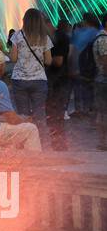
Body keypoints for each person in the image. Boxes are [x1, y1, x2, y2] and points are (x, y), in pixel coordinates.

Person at [9, 7, 52, 140]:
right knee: (40, 114)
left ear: (25, 20)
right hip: (39, 80)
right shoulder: (44, 37)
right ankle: (43, 145)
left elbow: (13, 59)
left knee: (23, 115)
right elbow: (49, 61)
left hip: (20, 80)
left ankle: (26, 145)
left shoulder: (17, 35)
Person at [46, 18, 72, 150]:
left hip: (58, 80)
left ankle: (59, 144)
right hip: (59, 79)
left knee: (55, 114)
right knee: (55, 114)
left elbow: (58, 61)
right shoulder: (59, 36)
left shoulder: (58, 37)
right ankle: (57, 143)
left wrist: (43, 58)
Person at [72, 12, 103, 116]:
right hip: (91, 66)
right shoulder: (97, 31)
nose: (82, 22)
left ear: (87, 21)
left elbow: (77, 47)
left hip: (85, 65)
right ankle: (89, 110)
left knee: (84, 87)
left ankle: (85, 110)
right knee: (89, 88)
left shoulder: (89, 32)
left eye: (83, 20)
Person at [93, 19, 107, 151]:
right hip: (104, 80)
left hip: (102, 80)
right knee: (103, 112)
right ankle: (103, 142)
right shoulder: (103, 39)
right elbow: (105, 61)